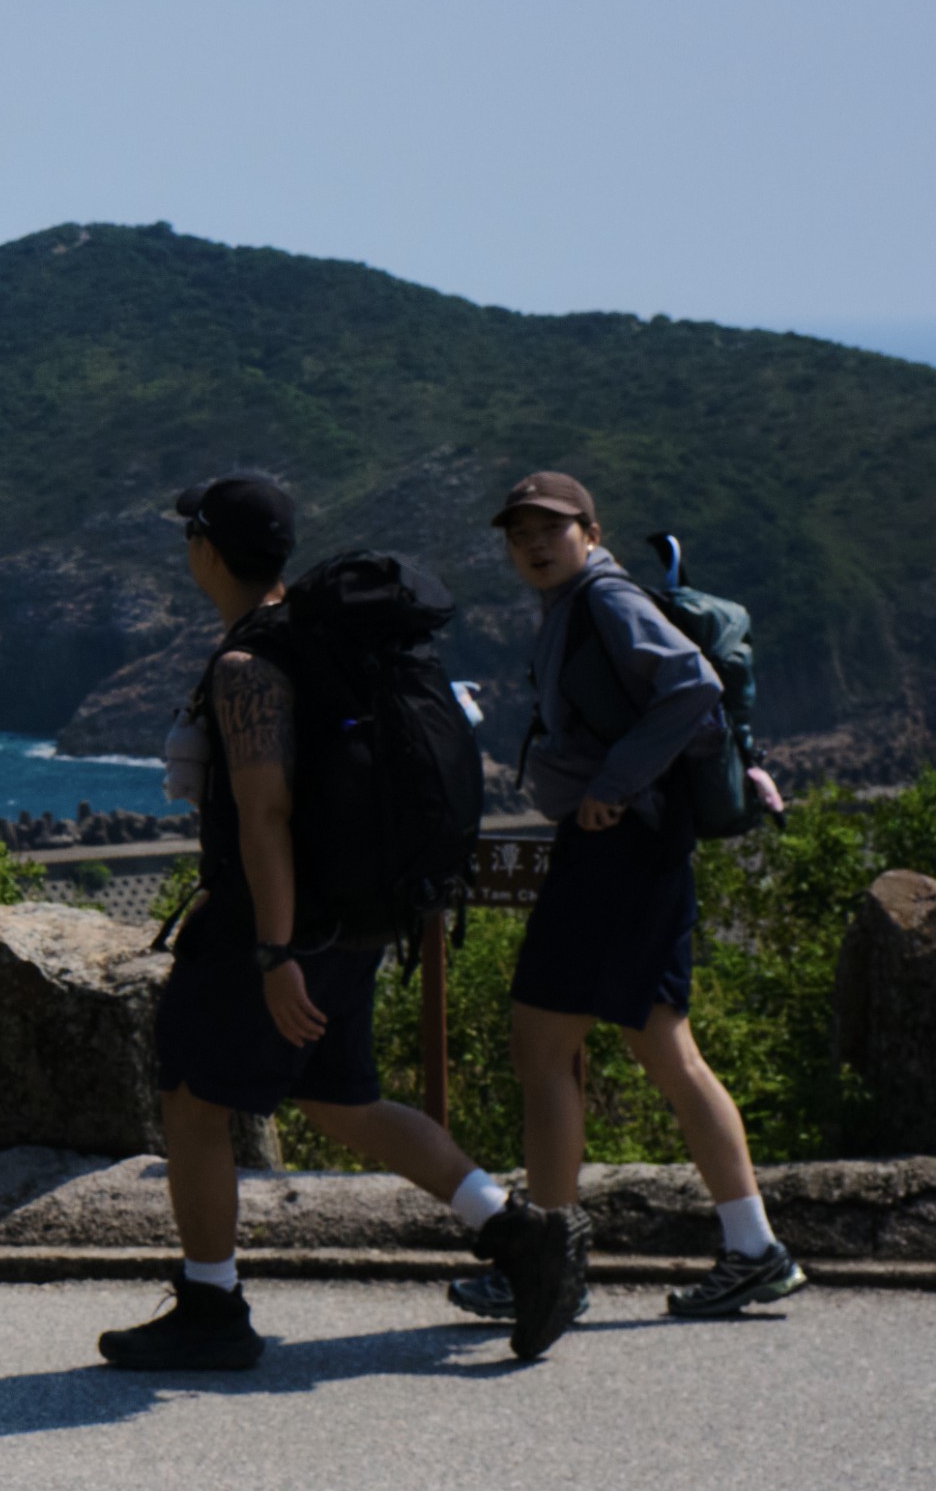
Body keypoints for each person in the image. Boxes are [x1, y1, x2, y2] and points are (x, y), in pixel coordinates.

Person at [100, 475, 583, 1371]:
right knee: (341, 1098)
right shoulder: (331, 641)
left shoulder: (251, 665)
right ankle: (519, 1231)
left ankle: (211, 1304)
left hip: (283, 931)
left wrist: (275, 953)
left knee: (194, 1102)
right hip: (360, 919)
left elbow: (265, 816)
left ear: (207, 550)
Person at [455, 472, 805, 1323]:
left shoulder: (604, 601)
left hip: (619, 847)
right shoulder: (571, 606)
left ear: (591, 530)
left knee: (541, 1044)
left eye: (552, 529)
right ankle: (753, 1249)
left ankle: (547, 1261)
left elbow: (693, 687)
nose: (535, 545)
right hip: (639, 849)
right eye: (519, 534)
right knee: (665, 1051)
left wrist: (612, 783)